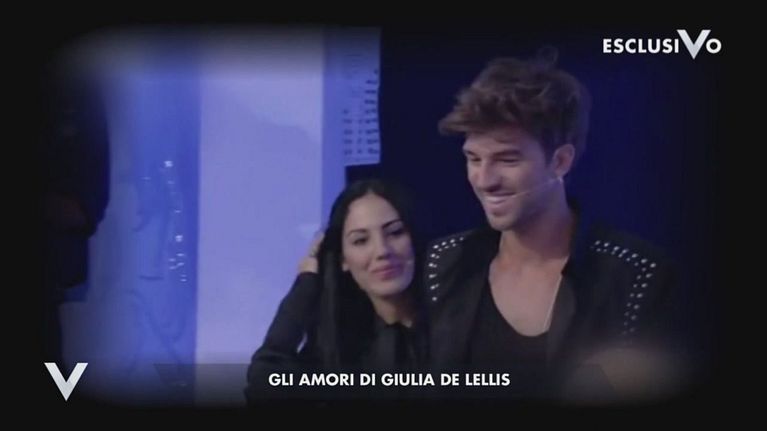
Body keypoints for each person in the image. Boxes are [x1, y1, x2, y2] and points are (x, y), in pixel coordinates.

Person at [424, 47, 682, 402]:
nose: (484, 180)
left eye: (507, 159)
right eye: (473, 158)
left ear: (560, 162)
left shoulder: (636, 276)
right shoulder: (445, 262)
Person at [245, 179, 427, 402]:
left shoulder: (456, 326)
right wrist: (307, 282)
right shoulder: (342, 353)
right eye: (361, 240)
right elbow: (265, 382)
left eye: (395, 232)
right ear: (343, 260)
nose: (382, 251)